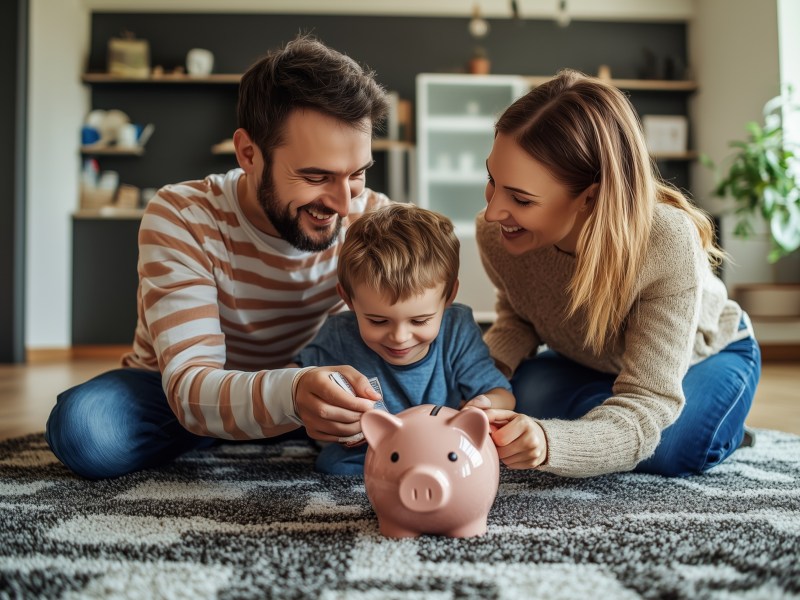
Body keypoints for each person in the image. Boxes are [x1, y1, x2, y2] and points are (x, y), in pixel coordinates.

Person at [45, 34, 392, 479]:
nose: (344, 204)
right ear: (249, 153)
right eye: (315, 175)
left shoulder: (372, 218)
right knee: (86, 429)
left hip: (313, 385)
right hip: (179, 393)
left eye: (357, 174)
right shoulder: (182, 215)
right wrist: (292, 393)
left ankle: (295, 421)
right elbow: (190, 385)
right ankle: (265, 423)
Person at [475, 69, 760, 478]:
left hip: (704, 356)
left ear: (589, 198)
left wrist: (551, 442)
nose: (492, 212)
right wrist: (486, 379)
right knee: (511, 403)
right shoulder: (496, 235)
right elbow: (520, 316)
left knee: (669, 449)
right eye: (491, 179)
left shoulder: (665, 242)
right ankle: (608, 419)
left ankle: (719, 426)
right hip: (591, 360)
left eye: (520, 199)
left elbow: (647, 399)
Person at [292, 203, 515, 475]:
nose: (399, 338)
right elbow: (294, 383)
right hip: (371, 447)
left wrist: (481, 408)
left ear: (449, 296)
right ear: (348, 299)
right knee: (332, 464)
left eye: (419, 321)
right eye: (378, 321)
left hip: (442, 447)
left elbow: (503, 395)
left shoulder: (457, 329)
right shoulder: (339, 334)